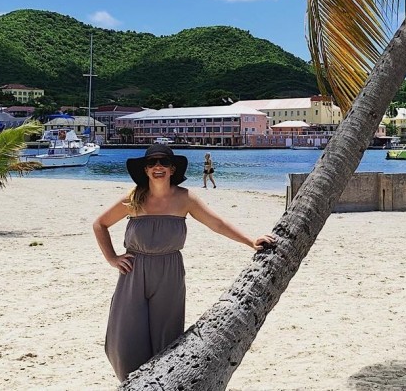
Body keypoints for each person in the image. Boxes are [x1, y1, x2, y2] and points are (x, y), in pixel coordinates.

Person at [93, 144, 275, 381]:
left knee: (166, 336)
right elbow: (100, 224)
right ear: (146, 170)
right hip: (134, 272)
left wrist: (251, 241)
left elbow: (217, 224)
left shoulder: (185, 198)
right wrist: (112, 258)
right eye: (152, 163)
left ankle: (162, 382)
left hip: (170, 273)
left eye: (164, 162)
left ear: (172, 169)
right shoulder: (135, 197)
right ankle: (133, 383)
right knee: (126, 335)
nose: (158, 167)